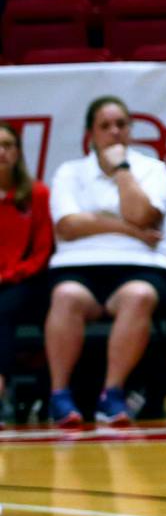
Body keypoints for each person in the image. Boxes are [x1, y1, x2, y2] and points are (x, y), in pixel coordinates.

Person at [43, 97, 166, 429]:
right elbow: (69, 226)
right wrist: (127, 229)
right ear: (90, 133)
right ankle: (59, 394)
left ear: (131, 130)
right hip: (79, 266)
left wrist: (122, 170)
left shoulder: (151, 169)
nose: (114, 132)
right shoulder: (70, 172)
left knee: (139, 296)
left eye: (121, 125)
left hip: (142, 265)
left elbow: (143, 214)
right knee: (66, 297)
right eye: (105, 126)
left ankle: (112, 393)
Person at [0, 122, 53, 424]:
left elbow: (43, 251)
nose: (2, 152)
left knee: (3, 307)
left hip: (27, 282)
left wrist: (11, 275)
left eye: (9, 145)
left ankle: (3, 390)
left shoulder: (37, 193)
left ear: (18, 152)